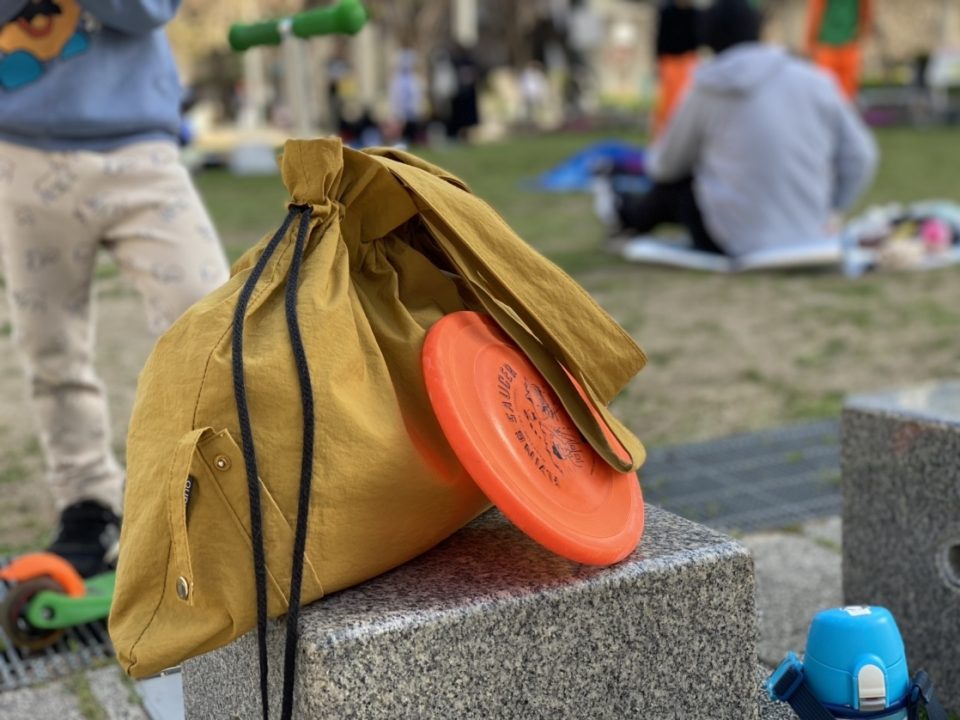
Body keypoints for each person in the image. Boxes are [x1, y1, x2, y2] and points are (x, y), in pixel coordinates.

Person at [0, 0, 229, 578]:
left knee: (208, 316)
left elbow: (150, 9)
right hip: (21, 151)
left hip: (139, 149)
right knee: (48, 343)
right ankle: (88, 505)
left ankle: (214, 485)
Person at [602, 0, 878, 258]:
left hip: (729, 238)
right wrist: (830, 208)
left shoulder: (707, 88)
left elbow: (665, 166)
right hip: (809, 230)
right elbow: (861, 156)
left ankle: (626, 215)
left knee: (675, 185)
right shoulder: (814, 80)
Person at [651, 0, 702, 138]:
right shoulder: (667, 11)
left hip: (689, 63)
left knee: (686, 102)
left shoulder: (696, 14)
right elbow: (660, 39)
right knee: (668, 106)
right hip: (670, 63)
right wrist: (659, 63)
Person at [806, 0, 873, 101]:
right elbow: (866, 11)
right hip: (849, 47)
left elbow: (816, 11)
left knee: (825, 98)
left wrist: (810, 43)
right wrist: (862, 33)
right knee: (846, 100)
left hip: (826, 48)